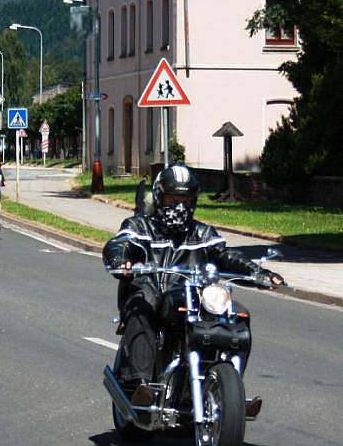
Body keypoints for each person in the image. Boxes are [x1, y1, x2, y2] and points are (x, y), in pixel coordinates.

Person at [102, 164, 284, 402]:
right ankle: (141, 383)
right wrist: (120, 259)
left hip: (191, 299)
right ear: (158, 198)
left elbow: (226, 256)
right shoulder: (140, 226)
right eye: (172, 199)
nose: (179, 206)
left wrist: (260, 273)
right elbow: (120, 243)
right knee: (141, 307)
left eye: (185, 200)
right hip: (153, 292)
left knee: (239, 316)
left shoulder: (202, 234)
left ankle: (228, 389)